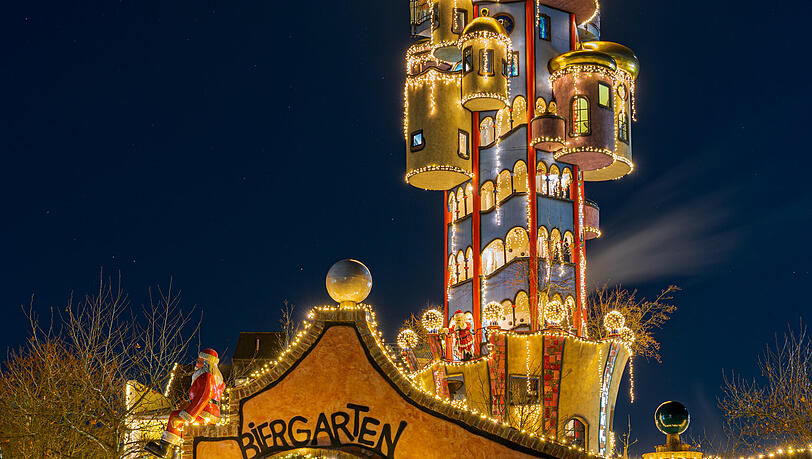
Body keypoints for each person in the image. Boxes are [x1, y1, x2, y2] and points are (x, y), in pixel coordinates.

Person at [145, 349, 225, 458]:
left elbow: (204, 397)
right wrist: (188, 404)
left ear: (207, 363)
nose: (196, 365)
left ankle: (165, 450)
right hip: (209, 414)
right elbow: (209, 399)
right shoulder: (219, 382)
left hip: (203, 413)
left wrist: (187, 416)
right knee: (179, 424)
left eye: (200, 361)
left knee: (175, 416)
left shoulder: (206, 375)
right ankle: (170, 451)